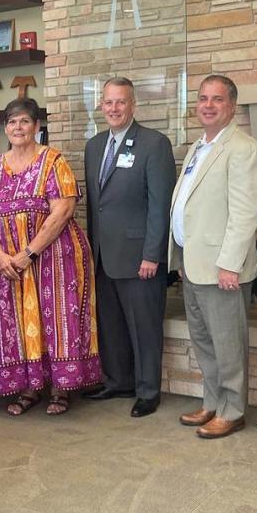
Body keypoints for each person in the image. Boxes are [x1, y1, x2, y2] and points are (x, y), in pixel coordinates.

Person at [0, 98, 101, 416]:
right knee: (15, 322)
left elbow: (64, 209)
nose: (18, 127)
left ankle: (61, 388)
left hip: (54, 259)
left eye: (25, 121)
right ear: (5, 128)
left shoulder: (53, 161)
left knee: (57, 321)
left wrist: (29, 253)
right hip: (6, 263)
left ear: (36, 126)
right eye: (12, 122)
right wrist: (2, 256)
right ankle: (29, 388)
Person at [169, 75, 257, 439]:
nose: (208, 105)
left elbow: (245, 213)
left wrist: (230, 263)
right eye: (203, 98)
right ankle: (212, 401)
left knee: (228, 344)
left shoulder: (244, 149)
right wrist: (179, 257)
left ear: (232, 105)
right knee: (205, 342)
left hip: (222, 269)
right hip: (194, 266)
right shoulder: (200, 147)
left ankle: (232, 409)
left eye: (217, 99)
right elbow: (188, 207)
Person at [80, 77, 176, 418]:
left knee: (144, 326)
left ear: (133, 105)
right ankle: (119, 380)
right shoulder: (93, 147)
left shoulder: (154, 144)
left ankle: (148, 390)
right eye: (108, 102)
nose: (114, 108)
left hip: (140, 257)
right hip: (104, 256)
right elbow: (97, 206)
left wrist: (152, 254)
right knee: (112, 324)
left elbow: (159, 205)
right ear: (101, 106)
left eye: (121, 102)